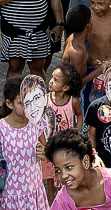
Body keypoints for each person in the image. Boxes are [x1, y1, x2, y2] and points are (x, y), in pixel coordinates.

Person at [0, 76, 49, 210]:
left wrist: (44, 152)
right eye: (23, 103)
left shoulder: (36, 122)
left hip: (34, 193)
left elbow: (47, 150)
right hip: (10, 197)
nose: (29, 107)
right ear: (9, 103)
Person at [45, 129, 111, 210]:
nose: (63, 176)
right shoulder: (63, 200)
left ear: (85, 162)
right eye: (58, 171)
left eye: (69, 167)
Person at [42, 63, 84, 201]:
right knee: (49, 174)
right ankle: (50, 201)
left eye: (56, 80)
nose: (51, 81)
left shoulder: (73, 101)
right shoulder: (46, 99)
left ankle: (64, 200)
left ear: (65, 87)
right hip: (49, 145)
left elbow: (79, 115)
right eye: (52, 77)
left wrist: (78, 130)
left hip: (66, 146)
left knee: (64, 173)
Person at [62, 5, 103, 93]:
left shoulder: (73, 38)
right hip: (74, 94)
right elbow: (76, 84)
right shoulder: (77, 52)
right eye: (91, 18)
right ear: (88, 25)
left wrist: (90, 62)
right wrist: (99, 71)